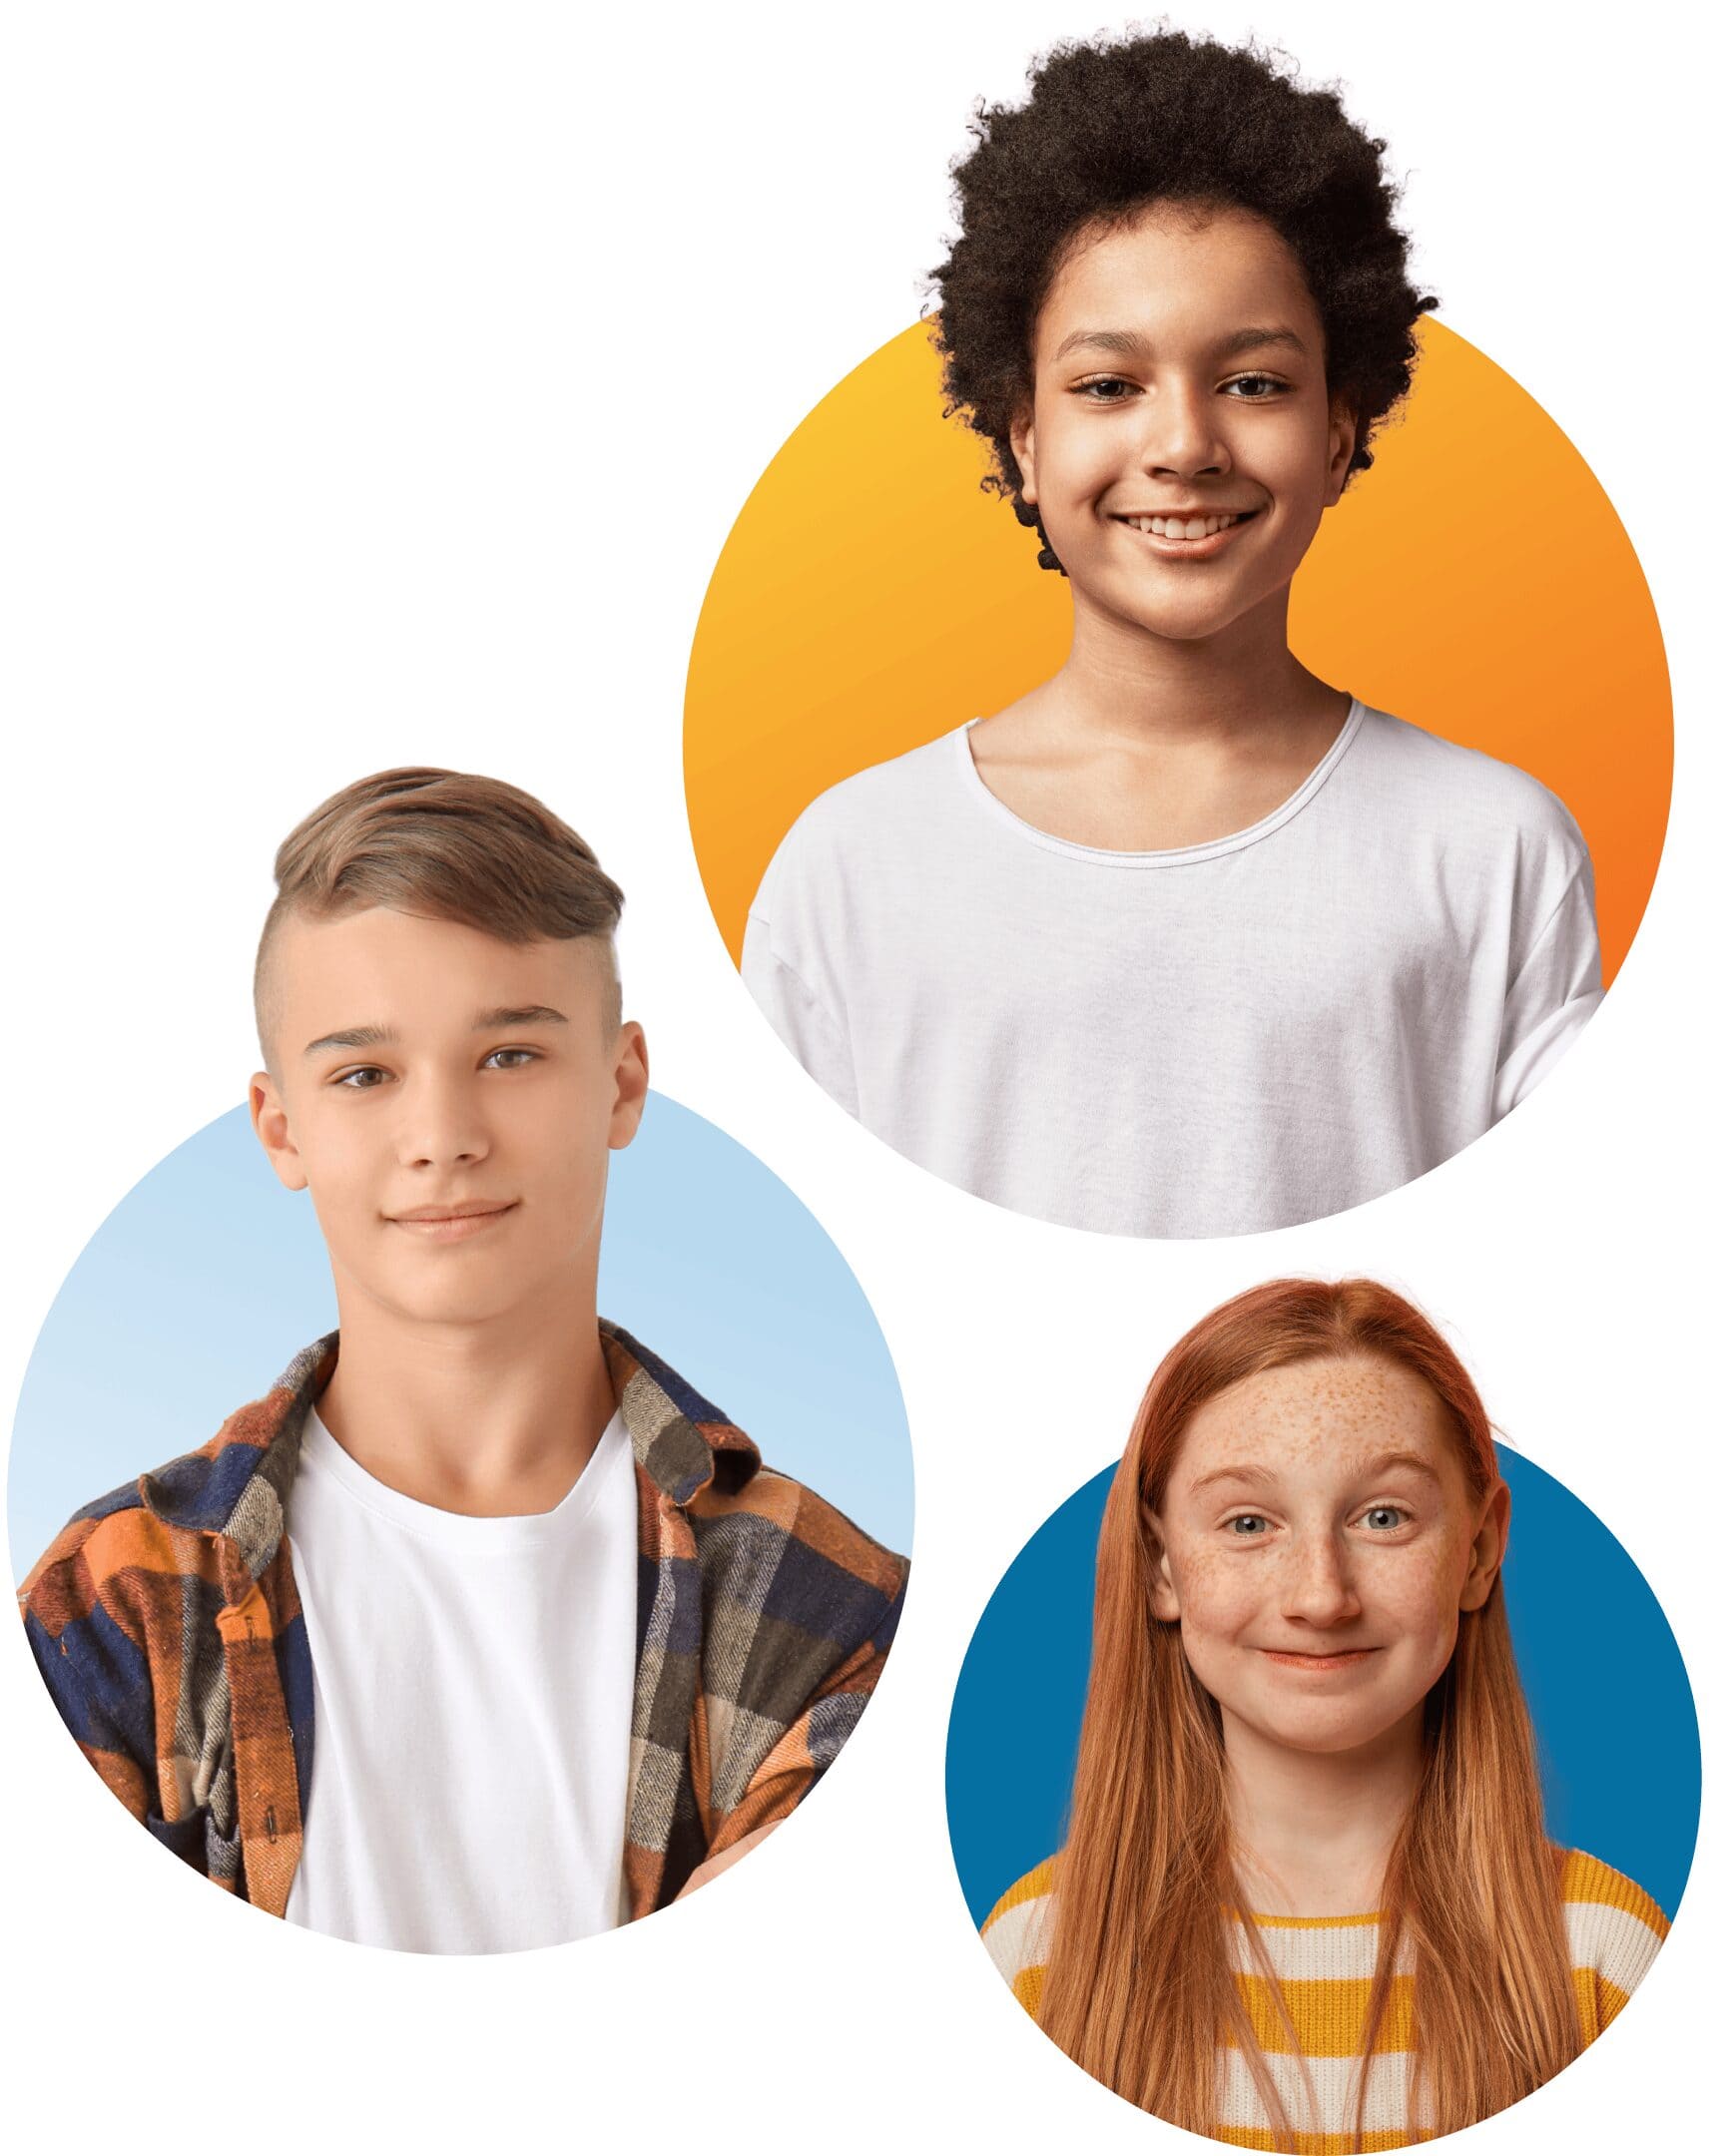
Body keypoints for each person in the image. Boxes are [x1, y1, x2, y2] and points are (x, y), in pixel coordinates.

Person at [19, 768, 907, 1953]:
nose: (442, 1138)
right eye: (363, 1075)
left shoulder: (830, 1601)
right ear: (281, 1129)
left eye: (509, 1056)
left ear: (622, 1084)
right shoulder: (117, 1600)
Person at [743, 28, 1602, 1238]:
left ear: (1340, 435)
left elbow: (1566, 1243)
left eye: (1254, 383)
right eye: (1109, 386)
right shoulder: (853, 864)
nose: (1185, 445)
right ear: (1024, 443)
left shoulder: (1494, 851)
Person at [980, 1279, 1667, 2146]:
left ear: (1480, 1551)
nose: (1320, 1596)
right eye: (1247, 1524)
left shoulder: (1606, 1957)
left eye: (1383, 1517)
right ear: (1160, 1565)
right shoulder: (1034, 1957)